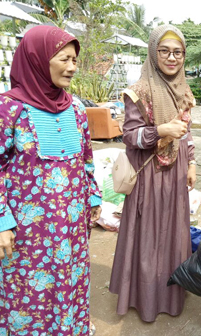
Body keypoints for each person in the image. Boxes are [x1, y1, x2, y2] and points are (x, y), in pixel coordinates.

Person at [0, 26, 102, 335]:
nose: (72, 67)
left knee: (68, 283)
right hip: (28, 235)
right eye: (63, 59)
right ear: (38, 59)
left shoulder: (77, 109)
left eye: (74, 60)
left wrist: (93, 197)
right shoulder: (8, 109)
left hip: (70, 229)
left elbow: (85, 159)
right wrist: (2, 221)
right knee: (26, 295)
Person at [109, 25, 196, 322]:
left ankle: (170, 293)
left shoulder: (184, 88)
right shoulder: (140, 90)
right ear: (153, 51)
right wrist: (160, 130)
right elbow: (129, 135)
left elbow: (187, 132)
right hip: (149, 175)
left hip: (177, 170)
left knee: (173, 234)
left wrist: (193, 162)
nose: (172, 58)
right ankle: (145, 299)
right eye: (165, 51)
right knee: (147, 236)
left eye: (178, 52)